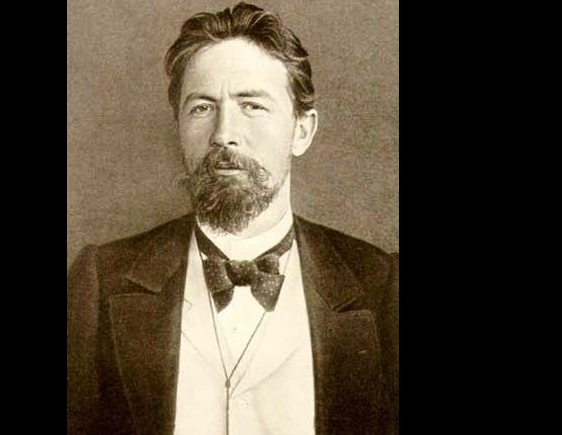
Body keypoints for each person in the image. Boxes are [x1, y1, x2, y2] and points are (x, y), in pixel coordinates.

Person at [67, 3, 398, 435]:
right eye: (202, 108)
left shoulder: (381, 285)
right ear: (178, 126)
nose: (224, 134)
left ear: (302, 130)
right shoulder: (100, 280)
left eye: (252, 106)